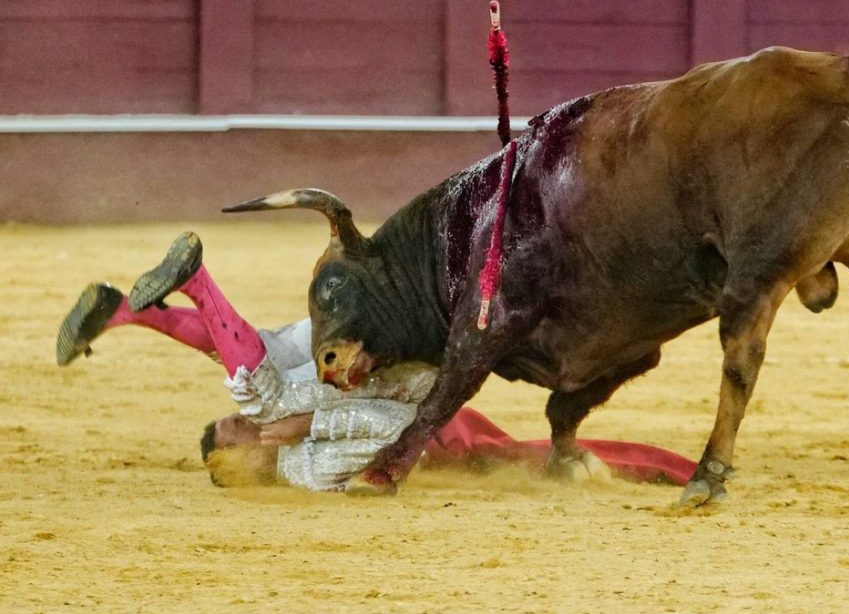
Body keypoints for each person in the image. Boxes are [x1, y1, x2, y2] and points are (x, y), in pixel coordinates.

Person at [57, 232, 696, 491]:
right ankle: (181, 290)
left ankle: (127, 311)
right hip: (410, 392)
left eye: (232, 424)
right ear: (245, 466)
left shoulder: (286, 441)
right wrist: (311, 424)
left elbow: (263, 367)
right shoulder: (310, 470)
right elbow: (398, 432)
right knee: (268, 393)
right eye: (239, 436)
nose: (244, 427)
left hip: (359, 365)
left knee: (263, 362)